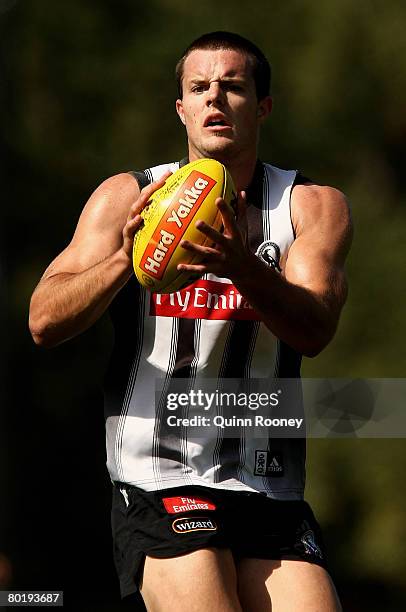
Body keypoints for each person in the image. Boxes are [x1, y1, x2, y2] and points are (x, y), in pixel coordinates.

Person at [29, 31, 352, 611]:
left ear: (263, 106)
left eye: (233, 88)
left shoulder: (310, 205)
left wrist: (240, 267)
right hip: (160, 477)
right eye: (199, 88)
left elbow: (316, 329)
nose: (214, 100)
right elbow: (44, 321)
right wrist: (126, 263)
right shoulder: (127, 196)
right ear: (181, 109)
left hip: (269, 485)